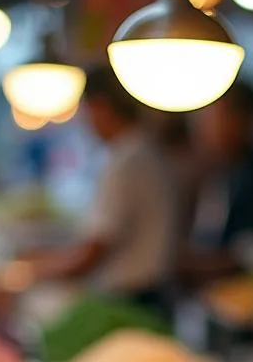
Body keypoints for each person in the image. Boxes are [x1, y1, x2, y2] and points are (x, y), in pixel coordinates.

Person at [27, 65, 178, 307]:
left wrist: (30, 272)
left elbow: (94, 252)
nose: (87, 121)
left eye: (87, 111)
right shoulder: (136, 151)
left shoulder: (127, 160)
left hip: (132, 298)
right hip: (141, 293)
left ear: (102, 107)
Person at [180, 80, 253, 285]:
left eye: (213, 115)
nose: (203, 126)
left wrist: (192, 266)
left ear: (242, 120)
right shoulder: (221, 172)